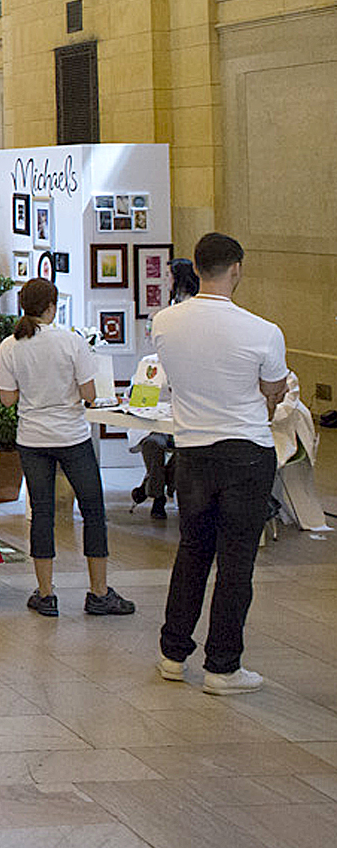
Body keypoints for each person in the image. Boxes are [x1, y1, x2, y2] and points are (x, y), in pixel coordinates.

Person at [153, 233, 289, 695]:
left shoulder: (165, 322)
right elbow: (274, 390)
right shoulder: (263, 331)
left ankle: (173, 653)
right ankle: (223, 666)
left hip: (192, 451)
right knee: (236, 563)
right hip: (246, 453)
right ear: (236, 269)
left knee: (192, 551)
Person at [0, 279, 133, 618]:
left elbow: (8, 399)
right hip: (72, 437)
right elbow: (88, 394)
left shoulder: (10, 345)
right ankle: (99, 592)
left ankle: (46, 594)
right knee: (92, 510)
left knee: (42, 514)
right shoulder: (72, 341)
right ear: (52, 306)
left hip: (33, 439)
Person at [132, 258, 200, 519]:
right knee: (152, 443)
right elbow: (142, 401)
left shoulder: (188, 311)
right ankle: (157, 494)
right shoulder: (150, 364)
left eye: (169, 276)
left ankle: (151, 488)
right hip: (163, 416)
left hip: (189, 421)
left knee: (185, 449)